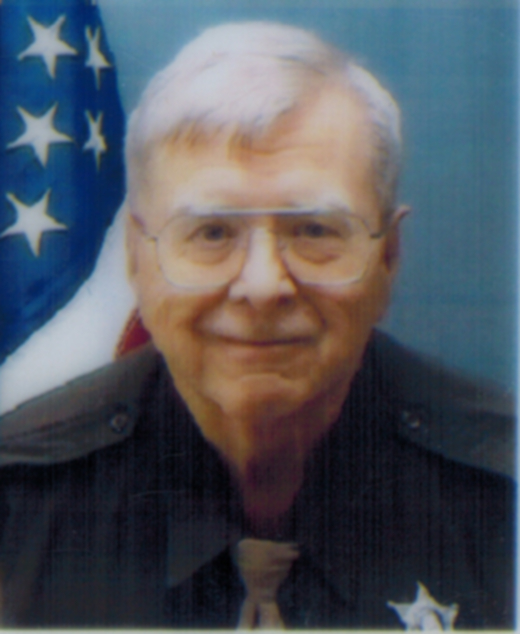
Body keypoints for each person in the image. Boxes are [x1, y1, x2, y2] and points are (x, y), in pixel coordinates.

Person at [0, 22, 514, 629]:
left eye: (315, 230)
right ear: (138, 258)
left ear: (389, 257)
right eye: (213, 232)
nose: (264, 286)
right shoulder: (17, 508)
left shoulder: (502, 493)